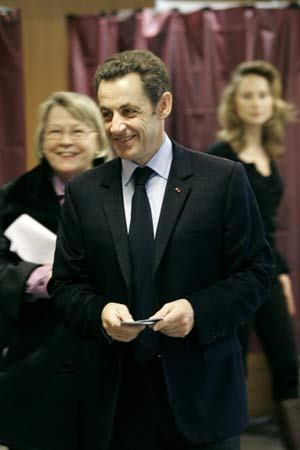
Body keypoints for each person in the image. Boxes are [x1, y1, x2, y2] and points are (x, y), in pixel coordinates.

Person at [49, 50, 274, 450]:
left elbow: (255, 273)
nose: (115, 126)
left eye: (129, 111)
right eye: (106, 114)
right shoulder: (84, 192)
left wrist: (197, 311)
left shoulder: (221, 180)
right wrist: (99, 312)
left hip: (203, 399)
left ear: (164, 105)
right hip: (114, 405)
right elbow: (66, 285)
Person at [0, 91, 112, 450]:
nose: (65, 141)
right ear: (40, 141)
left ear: (98, 139)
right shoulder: (12, 197)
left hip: (110, 365)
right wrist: (38, 279)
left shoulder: (129, 195)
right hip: (35, 365)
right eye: (54, 132)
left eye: (77, 131)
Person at [208, 60, 300, 450]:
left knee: (286, 363)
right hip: (233, 278)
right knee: (234, 364)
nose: (257, 102)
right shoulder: (220, 154)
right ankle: (224, 442)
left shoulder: (269, 152)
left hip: (266, 275)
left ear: (273, 102)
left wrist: (282, 274)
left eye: (263, 95)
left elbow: (265, 226)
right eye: (248, 95)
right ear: (235, 102)